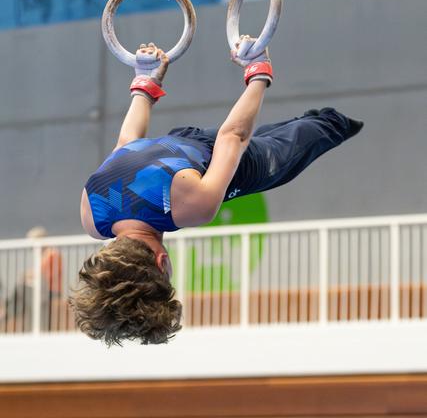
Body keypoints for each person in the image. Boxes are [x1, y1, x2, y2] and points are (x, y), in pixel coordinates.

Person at [70, 37, 363, 346]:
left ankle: (338, 120)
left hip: (213, 162)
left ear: (162, 263)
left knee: (309, 138)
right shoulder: (92, 216)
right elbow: (125, 145)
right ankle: (311, 120)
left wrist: (258, 71)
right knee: (278, 134)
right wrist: (144, 83)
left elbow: (234, 136)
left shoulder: (187, 206)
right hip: (182, 145)